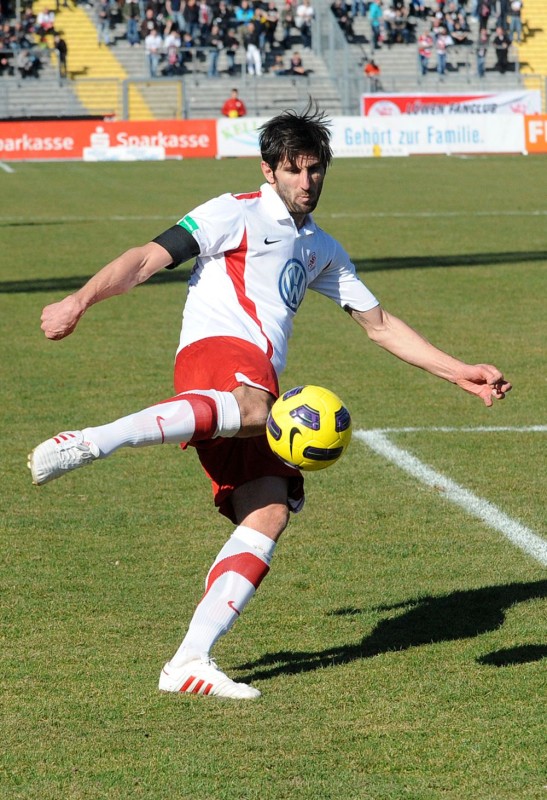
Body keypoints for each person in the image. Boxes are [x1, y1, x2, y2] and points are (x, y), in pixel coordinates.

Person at [28, 105, 511, 700]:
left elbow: (380, 324)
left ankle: (188, 660)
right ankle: (91, 442)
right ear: (268, 169)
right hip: (218, 353)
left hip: (251, 381)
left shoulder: (322, 248)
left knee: (268, 510)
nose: (306, 181)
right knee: (258, 408)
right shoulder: (234, 212)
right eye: (293, 169)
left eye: (315, 170)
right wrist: (79, 300)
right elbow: (146, 258)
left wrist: (459, 372)